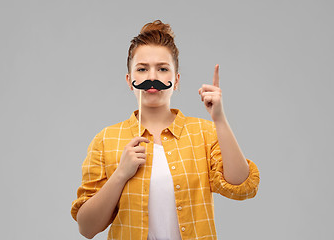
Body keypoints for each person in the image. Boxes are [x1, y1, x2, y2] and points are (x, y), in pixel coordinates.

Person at [71, 20, 260, 240]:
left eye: (162, 69)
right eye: (142, 69)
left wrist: (219, 119)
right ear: (130, 81)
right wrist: (121, 174)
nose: (152, 77)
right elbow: (87, 228)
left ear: (176, 80)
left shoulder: (203, 133)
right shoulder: (106, 140)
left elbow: (243, 187)